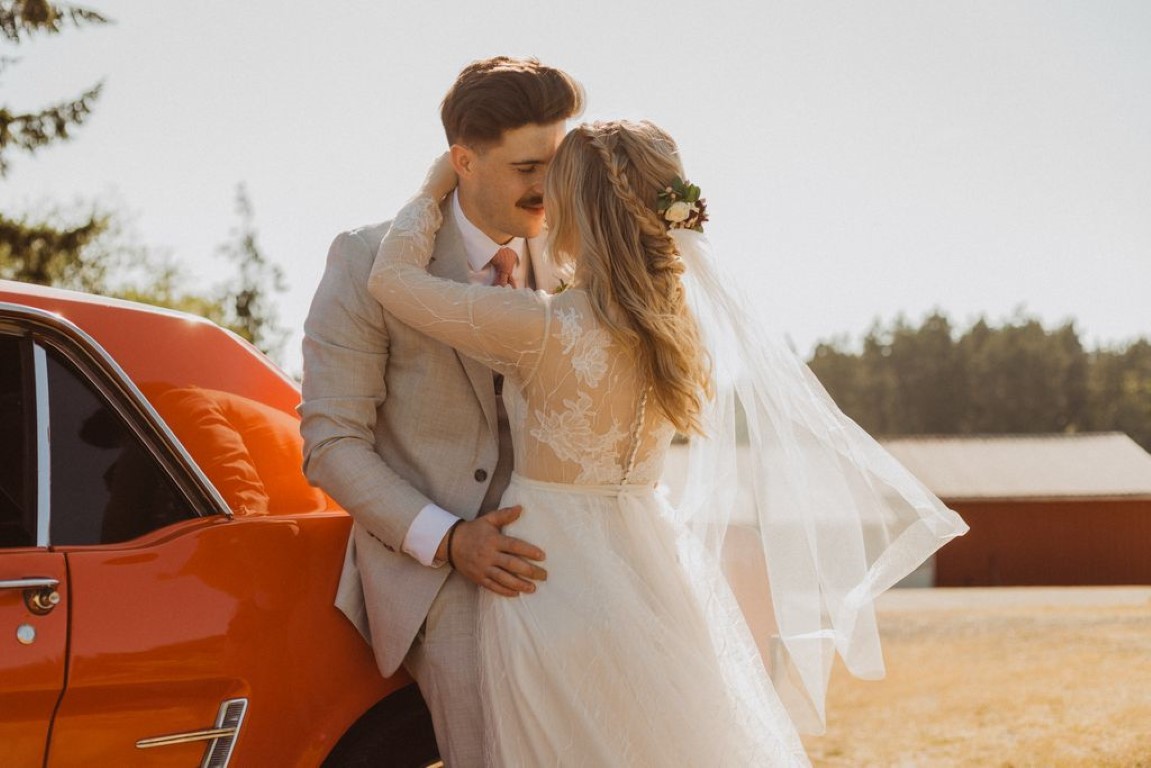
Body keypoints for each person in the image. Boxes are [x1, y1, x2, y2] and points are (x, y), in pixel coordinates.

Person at [367, 120, 969, 766]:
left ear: (576, 210)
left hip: (546, 582)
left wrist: (435, 184)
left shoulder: (541, 327)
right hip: (653, 575)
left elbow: (390, 281)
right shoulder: (677, 331)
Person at [298, 56, 584, 766]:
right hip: (439, 573)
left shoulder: (574, 257)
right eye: (527, 167)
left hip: (571, 556)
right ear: (463, 161)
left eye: (558, 163)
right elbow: (331, 441)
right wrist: (452, 540)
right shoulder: (366, 259)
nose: (549, 186)